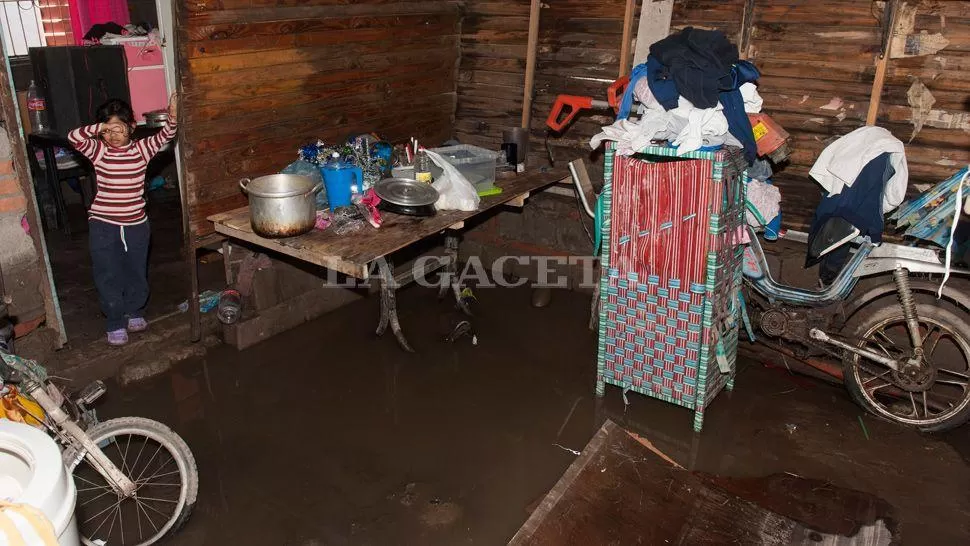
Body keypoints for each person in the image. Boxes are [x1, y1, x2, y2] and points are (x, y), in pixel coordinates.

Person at [68, 94, 178, 346]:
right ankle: (115, 321)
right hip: (103, 225)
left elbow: (167, 134)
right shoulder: (98, 151)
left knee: (136, 269)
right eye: (107, 131)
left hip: (136, 225)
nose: (113, 135)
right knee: (108, 272)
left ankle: (135, 310)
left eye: (119, 129)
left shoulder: (142, 149)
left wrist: (173, 115)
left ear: (132, 127)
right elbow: (73, 137)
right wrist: (99, 128)